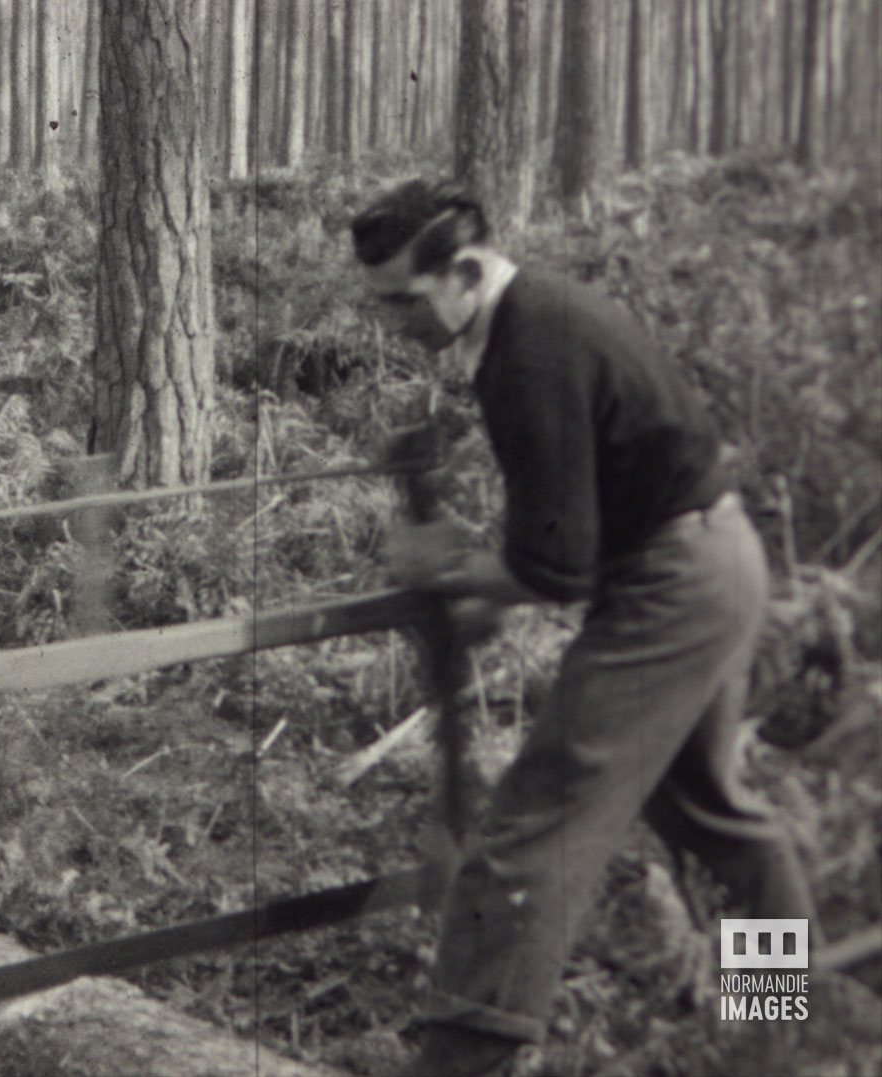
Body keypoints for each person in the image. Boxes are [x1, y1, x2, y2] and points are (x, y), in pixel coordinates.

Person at [349, 180, 819, 1076]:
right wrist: (488, 580)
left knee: (537, 820)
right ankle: (777, 1036)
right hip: (709, 559)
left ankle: (467, 1053)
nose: (393, 325)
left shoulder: (529, 345)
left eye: (406, 302)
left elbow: (555, 564)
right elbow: (569, 540)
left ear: (467, 268)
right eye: (378, 305)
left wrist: (446, 565)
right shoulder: (531, 319)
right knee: (715, 813)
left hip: (676, 583)